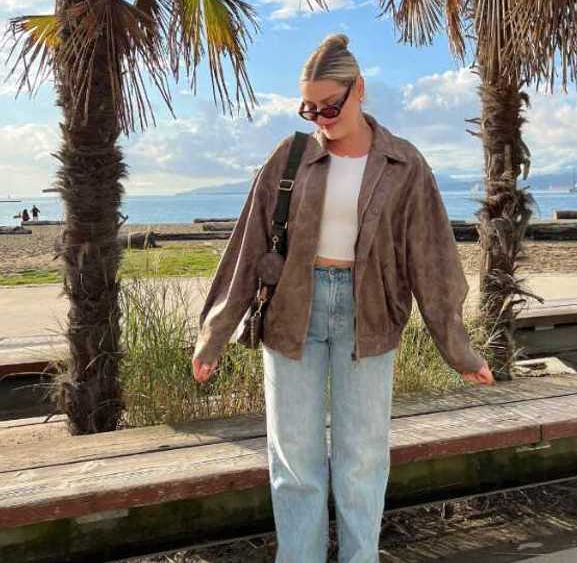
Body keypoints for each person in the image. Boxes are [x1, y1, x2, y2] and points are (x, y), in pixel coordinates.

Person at [192, 33, 493, 563]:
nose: (320, 119)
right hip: (291, 315)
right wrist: (214, 336)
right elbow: (248, 246)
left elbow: (433, 259)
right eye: (309, 107)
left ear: (360, 91)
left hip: (369, 317)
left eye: (330, 105)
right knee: (295, 465)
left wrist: (457, 348)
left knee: (361, 462)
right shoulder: (289, 158)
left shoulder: (404, 164)